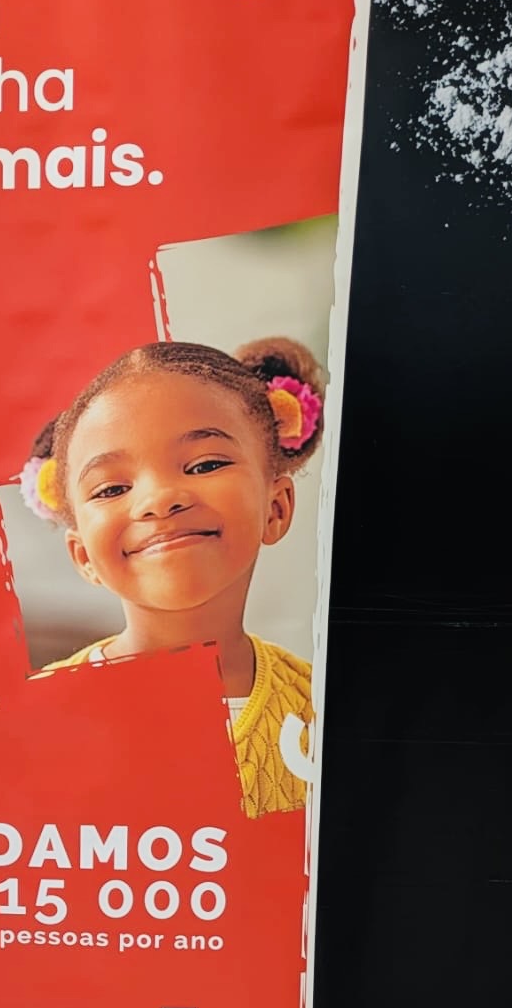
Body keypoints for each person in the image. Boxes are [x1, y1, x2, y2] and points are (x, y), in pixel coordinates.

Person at [27, 338, 322, 818]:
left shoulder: (325, 710)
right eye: (112, 488)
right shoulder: (32, 721)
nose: (159, 499)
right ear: (82, 555)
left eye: (205, 464)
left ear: (276, 508)